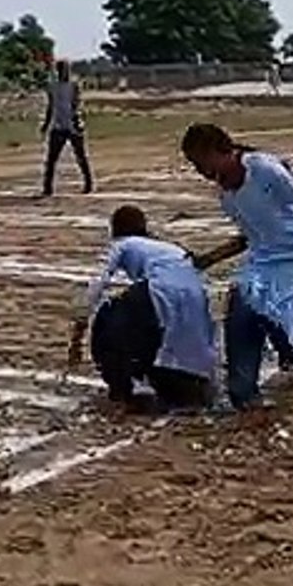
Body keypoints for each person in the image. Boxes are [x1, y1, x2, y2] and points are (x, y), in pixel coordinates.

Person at [182, 123, 293, 411]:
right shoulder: (226, 195)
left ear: (217, 151)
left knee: (270, 311)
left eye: (199, 162)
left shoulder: (264, 170)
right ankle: (243, 388)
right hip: (262, 259)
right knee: (241, 306)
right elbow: (250, 237)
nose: (199, 171)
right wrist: (209, 258)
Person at [67, 205, 216, 411]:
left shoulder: (123, 244)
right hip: (197, 297)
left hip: (160, 290)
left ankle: (127, 384)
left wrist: (78, 333)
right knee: (162, 330)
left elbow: (96, 283)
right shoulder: (169, 247)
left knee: (111, 318)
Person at [40, 59, 93, 197]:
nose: (64, 72)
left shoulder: (74, 85)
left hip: (73, 125)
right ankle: (47, 188)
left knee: (81, 156)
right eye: (61, 70)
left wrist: (76, 122)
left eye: (66, 69)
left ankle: (88, 183)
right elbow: (51, 106)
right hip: (58, 125)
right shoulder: (53, 86)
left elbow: (77, 104)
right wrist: (46, 124)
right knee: (51, 159)